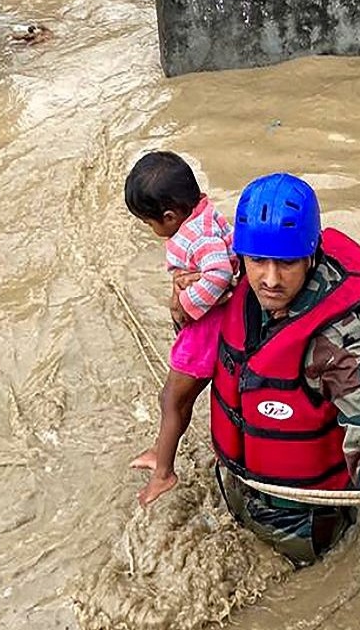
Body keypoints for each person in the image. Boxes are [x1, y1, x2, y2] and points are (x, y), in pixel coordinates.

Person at [207, 172, 360, 567]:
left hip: (299, 524)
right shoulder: (239, 280)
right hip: (236, 482)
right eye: (258, 261)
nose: (270, 280)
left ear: (310, 255)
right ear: (242, 255)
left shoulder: (342, 340)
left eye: (287, 263)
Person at [123, 150, 236, 507]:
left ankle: (163, 472)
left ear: (170, 217)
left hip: (205, 332)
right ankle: (161, 449)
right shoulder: (205, 214)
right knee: (175, 399)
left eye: (150, 223)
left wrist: (186, 307)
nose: (152, 230)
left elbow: (219, 274)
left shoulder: (196, 235)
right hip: (215, 324)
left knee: (172, 399)